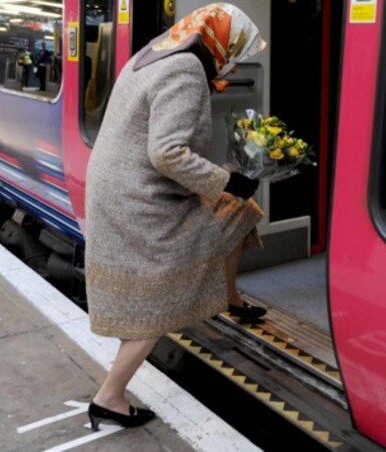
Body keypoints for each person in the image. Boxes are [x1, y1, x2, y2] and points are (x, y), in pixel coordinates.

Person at [84, 3, 268, 430]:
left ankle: (231, 299)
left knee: (241, 215)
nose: (237, 56)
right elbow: (167, 152)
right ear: (223, 38)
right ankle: (109, 397)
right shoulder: (185, 70)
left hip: (122, 188)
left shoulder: (154, 54)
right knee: (158, 299)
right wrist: (226, 181)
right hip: (145, 199)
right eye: (238, 46)